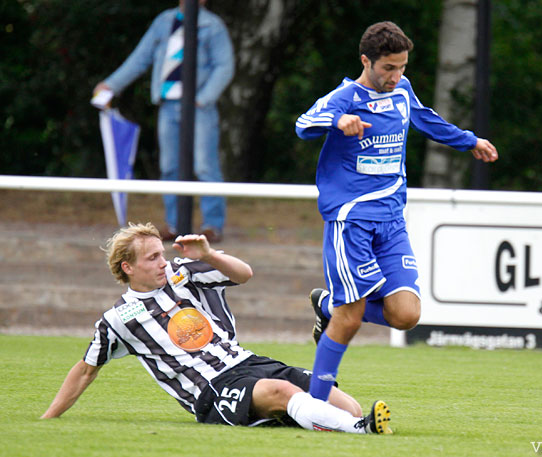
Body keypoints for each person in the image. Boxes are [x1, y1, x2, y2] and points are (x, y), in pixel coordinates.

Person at [295, 21, 499, 402]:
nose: (396, 75)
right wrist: (338, 120)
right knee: (350, 319)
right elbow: (304, 123)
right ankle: (316, 405)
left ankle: (327, 303)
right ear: (366, 61)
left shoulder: (402, 90)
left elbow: (426, 119)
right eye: (389, 67)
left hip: (391, 223)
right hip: (351, 221)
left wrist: (470, 141)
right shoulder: (346, 97)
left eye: (402, 66)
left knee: (406, 315)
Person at [40, 223, 392, 434]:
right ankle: (360, 432)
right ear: (127, 268)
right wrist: (47, 418)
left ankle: (340, 422)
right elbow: (86, 370)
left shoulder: (184, 275)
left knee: (348, 407)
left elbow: (244, 274)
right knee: (282, 392)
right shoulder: (118, 319)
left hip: (249, 363)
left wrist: (208, 254)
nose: (163, 262)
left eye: (162, 254)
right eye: (152, 258)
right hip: (211, 389)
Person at [93, 0, 232, 242]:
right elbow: (140, 58)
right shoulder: (164, 22)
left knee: (205, 166)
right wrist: (111, 86)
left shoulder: (213, 26)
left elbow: (225, 66)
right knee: (169, 166)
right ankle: (175, 224)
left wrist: (203, 98)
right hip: (168, 105)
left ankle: (212, 226)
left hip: (199, 108)